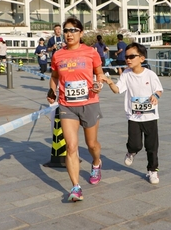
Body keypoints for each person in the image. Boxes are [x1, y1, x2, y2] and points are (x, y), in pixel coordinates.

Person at [47, 17, 106, 202]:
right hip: (67, 105)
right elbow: (54, 76)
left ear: (81, 33)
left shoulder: (91, 52)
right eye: (66, 30)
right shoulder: (58, 55)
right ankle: (75, 187)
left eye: (73, 30)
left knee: (91, 145)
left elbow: (99, 74)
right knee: (71, 147)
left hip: (89, 102)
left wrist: (98, 85)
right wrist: (52, 90)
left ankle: (96, 162)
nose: (69, 34)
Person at [103, 42, 163, 184]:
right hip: (134, 116)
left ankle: (152, 170)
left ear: (142, 58)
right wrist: (109, 82)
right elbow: (118, 90)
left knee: (152, 146)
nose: (128, 59)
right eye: (126, 57)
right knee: (135, 144)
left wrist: (156, 96)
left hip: (150, 116)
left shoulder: (150, 74)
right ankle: (131, 152)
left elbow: (159, 89)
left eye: (131, 56)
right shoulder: (126, 74)